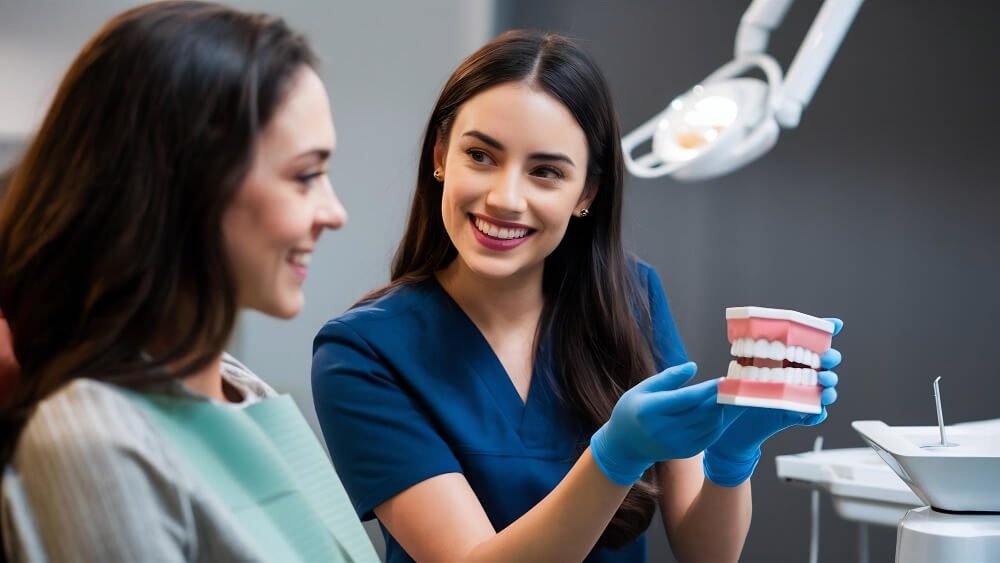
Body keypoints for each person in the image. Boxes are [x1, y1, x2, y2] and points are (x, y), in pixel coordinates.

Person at [312, 30, 843, 562]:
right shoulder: (361, 354)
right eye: (480, 155)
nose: (505, 198)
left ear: (585, 193)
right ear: (441, 156)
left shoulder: (634, 300)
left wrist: (732, 457)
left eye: (545, 172)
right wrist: (613, 458)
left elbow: (707, 554)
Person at [0, 2, 377, 561]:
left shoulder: (245, 390)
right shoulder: (93, 439)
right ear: (189, 185)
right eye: (305, 176)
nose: (334, 211)